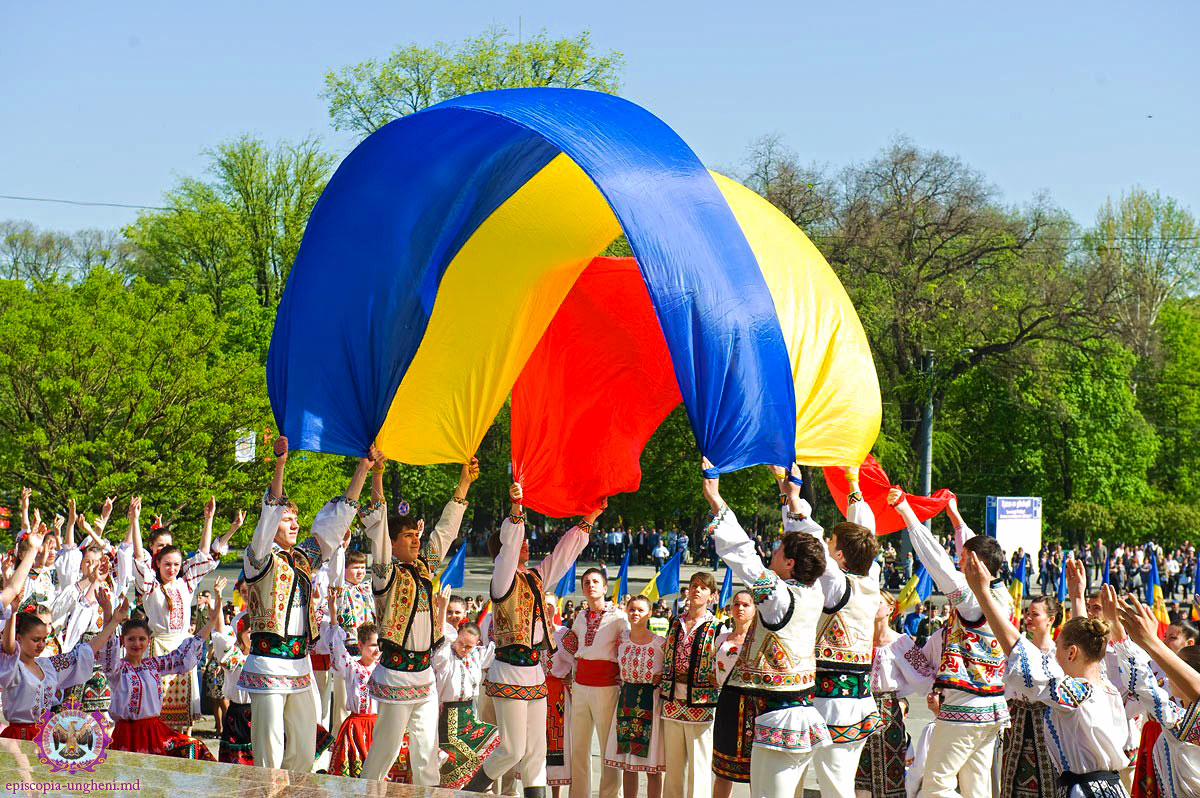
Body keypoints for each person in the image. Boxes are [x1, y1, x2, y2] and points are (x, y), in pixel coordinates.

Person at [240, 436, 370, 771]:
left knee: (304, 744)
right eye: (287, 519)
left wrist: (363, 468)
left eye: (295, 519)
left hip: (300, 663)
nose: (295, 524)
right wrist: (280, 465)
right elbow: (267, 518)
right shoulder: (257, 559)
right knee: (269, 748)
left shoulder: (302, 558)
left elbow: (335, 524)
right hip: (268, 662)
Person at [462, 481, 598, 797]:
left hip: (535, 670)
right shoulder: (501, 579)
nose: (526, 545)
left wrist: (588, 519)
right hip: (508, 668)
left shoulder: (534, 579)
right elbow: (509, 546)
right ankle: (467, 791)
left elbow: (562, 557)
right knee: (512, 749)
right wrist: (516, 509)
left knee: (536, 751)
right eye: (521, 541)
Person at [705, 462, 829, 798]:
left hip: (779, 718)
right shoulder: (816, 590)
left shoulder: (778, 597)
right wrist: (792, 497)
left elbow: (742, 555)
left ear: (789, 563)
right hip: (798, 710)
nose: (772, 552)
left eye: (779, 550)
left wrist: (716, 499)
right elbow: (812, 542)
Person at [961, 552, 1129, 798]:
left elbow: (1019, 652)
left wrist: (983, 594)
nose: (1054, 654)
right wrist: (1076, 596)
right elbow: (1083, 636)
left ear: (1071, 653)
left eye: (1059, 646)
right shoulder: (1105, 685)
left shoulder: (1077, 693)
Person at [361, 455, 477, 784]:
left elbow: (443, 533)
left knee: (427, 753)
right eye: (408, 535)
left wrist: (463, 484)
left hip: (424, 676)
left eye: (416, 534)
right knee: (385, 749)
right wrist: (378, 476)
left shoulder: (424, 567)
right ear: (393, 544)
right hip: (397, 675)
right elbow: (379, 531)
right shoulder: (386, 575)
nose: (415, 539)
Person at [891, 488, 1012, 798]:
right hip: (992, 708)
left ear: (973, 563)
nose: (959, 561)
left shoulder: (973, 601)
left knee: (936, 786)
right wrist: (955, 517)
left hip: (965, 707)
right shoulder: (1004, 597)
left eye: (963, 558)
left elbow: (937, 564)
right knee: (977, 788)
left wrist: (907, 512)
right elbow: (969, 553)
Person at [789, 465, 881, 798]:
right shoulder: (871, 580)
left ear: (839, 555)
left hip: (832, 702)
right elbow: (864, 530)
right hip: (857, 699)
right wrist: (853, 482)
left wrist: (794, 497)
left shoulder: (840, 584)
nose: (826, 546)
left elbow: (811, 542)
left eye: (832, 543)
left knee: (834, 786)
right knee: (837, 782)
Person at [0, 566, 122, 741]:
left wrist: (114, 621)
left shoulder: (48, 667)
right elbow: (8, 648)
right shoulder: (12, 666)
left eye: (44, 639)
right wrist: (12, 611)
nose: (41, 644)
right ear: (19, 637)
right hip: (17, 737)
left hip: (43, 735)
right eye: (35, 640)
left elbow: (86, 651)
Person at [132, 495, 221, 732]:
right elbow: (140, 560)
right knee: (158, 709)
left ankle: (182, 750)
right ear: (158, 563)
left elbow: (203, 554)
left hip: (183, 646)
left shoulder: (186, 584)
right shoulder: (151, 586)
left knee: (183, 717)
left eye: (176, 564)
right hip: (159, 647)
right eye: (167, 564)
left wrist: (208, 520)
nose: (172, 569)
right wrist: (135, 522)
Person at [1111, 589, 1200, 798]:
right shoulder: (1180, 719)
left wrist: (1134, 638)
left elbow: (1145, 687)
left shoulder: (1182, 724)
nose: (1169, 677)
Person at [855, 592, 934, 798]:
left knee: (888, 769)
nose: (872, 606)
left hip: (887, 711)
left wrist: (899, 697)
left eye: (878, 602)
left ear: (891, 609)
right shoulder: (858, 638)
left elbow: (923, 675)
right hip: (857, 708)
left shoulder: (901, 642)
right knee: (857, 771)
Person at [564, 567, 629, 798]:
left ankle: (610, 795)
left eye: (595, 582)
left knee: (607, 746)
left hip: (606, 686)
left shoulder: (619, 617)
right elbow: (574, 649)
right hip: (580, 685)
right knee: (579, 746)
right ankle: (579, 794)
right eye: (586, 583)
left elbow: (626, 651)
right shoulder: (580, 617)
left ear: (605, 588)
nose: (590, 585)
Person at [998, 593, 1061, 798]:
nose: (1029, 618)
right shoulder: (1019, 650)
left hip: (1048, 723)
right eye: (1028, 613)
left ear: (1050, 619)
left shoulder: (1059, 653)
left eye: (1035, 614)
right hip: (1017, 721)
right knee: (1012, 780)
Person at [604, 594, 667, 798]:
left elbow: (672, 670)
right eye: (632, 609)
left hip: (652, 702)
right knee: (628, 764)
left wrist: (662, 677)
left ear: (649, 613)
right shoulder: (621, 640)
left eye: (640, 610)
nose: (635, 613)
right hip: (627, 700)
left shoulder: (660, 643)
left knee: (652, 765)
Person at [321, 586, 386, 779]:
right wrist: (333, 613)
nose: (377, 650)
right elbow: (337, 646)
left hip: (380, 726)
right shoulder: (351, 667)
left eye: (379, 645)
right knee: (353, 775)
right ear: (360, 645)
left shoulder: (384, 668)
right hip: (356, 726)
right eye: (373, 645)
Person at [432, 615, 498, 789]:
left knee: (500, 737)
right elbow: (441, 639)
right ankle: (471, 788)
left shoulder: (477, 655)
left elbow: (498, 645)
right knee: (453, 763)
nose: (463, 648)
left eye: (469, 646)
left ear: (476, 644)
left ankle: (477, 787)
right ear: (457, 637)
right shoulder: (446, 655)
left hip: (469, 717)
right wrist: (443, 609)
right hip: (449, 720)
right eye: (461, 643)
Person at [712, 589, 755, 797]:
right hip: (727, 704)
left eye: (746, 605)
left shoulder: (760, 640)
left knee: (756, 768)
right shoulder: (721, 639)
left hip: (754, 706)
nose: (740, 608)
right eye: (736, 604)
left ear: (755, 609)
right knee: (722, 768)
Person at [329, 548, 374, 734]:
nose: (360, 572)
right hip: (348, 651)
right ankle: (341, 736)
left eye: (363, 567)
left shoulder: (367, 589)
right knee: (344, 698)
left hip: (370, 651)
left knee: (369, 698)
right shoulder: (341, 591)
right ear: (345, 569)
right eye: (355, 567)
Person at [212, 607, 253, 765]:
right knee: (236, 762)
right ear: (240, 634)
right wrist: (218, 600)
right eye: (249, 632)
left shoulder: (262, 658)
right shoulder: (235, 656)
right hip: (237, 713)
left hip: (259, 712)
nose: (253, 636)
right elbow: (222, 635)